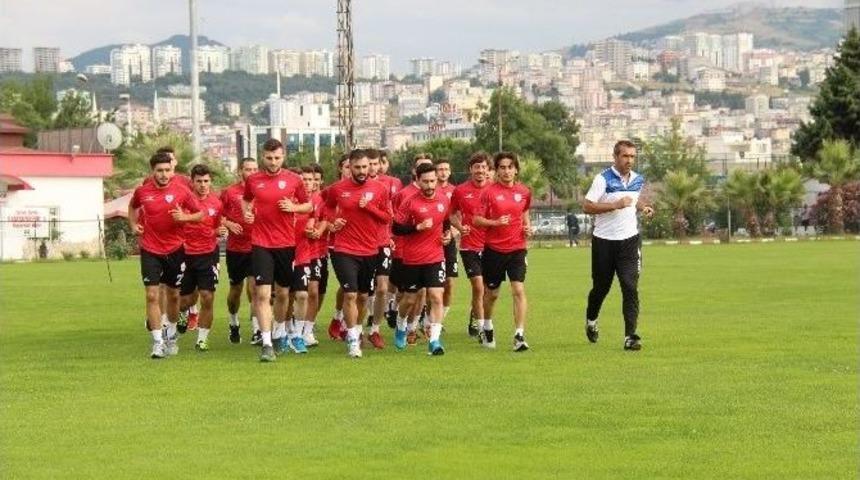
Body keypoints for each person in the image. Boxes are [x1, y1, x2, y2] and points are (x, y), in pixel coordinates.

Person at [242, 138, 311, 362]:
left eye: (277, 158)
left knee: (283, 293)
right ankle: (267, 343)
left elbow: (308, 205)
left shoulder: (294, 179)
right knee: (261, 294)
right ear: (263, 157)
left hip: (286, 244)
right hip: (261, 243)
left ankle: (280, 331)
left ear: (283, 157)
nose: (273, 162)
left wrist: (294, 207)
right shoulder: (253, 180)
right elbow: (246, 201)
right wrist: (247, 213)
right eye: (269, 158)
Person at [128, 152, 202, 359]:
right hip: (150, 249)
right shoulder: (142, 192)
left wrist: (184, 217)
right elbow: (132, 207)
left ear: (172, 170)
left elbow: (200, 214)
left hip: (175, 250)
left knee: (174, 295)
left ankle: (170, 333)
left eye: (167, 170)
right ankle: (158, 342)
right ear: (152, 171)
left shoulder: (182, 191)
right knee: (151, 295)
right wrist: (134, 225)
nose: (163, 174)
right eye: (159, 171)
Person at [582, 140, 654, 351]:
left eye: (632, 156)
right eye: (625, 156)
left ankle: (630, 336)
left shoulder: (637, 179)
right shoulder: (602, 179)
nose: (629, 160)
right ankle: (591, 320)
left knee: (630, 286)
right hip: (604, 242)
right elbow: (587, 206)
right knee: (601, 288)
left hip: (630, 242)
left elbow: (633, 200)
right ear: (615, 157)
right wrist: (614, 205)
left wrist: (645, 207)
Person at [319, 149, 391, 358]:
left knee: (361, 296)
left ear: (370, 167)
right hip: (344, 249)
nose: (361, 171)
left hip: (370, 250)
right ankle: (352, 339)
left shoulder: (380, 189)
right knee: (349, 294)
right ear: (348, 167)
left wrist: (369, 208)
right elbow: (325, 207)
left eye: (364, 167)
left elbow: (387, 218)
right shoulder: (337, 189)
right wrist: (332, 222)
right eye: (357, 167)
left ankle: (357, 330)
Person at [473, 152, 533, 352]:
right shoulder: (488, 193)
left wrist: (527, 227)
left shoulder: (524, 192)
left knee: (518, 290)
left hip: (517, 249)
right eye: (502, 167)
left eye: (510, 167)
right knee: (492, 294)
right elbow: (477, 220)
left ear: (516, 169)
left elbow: (524, 212)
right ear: (496, 171)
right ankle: (487, 326)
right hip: (494, 250)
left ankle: (519, 335)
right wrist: (495, 222)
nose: (506, 171)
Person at [392, 163, 451, 355]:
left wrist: (448, 235)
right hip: (412, 259)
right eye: (425, 181)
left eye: (432, 181)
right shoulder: (409, 202)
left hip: (435, 257)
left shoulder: (443, 200)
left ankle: (434, 340)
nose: (429, 185)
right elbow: (396, 228)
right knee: (409, 299)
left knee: (436, 296)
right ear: (417, 181)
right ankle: (401, 326)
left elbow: (445, 222)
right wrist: (416, 227)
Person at [178, 164, 225, 352]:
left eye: (206, 181)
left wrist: (219, 230)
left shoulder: (216, 203)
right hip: (186, 254)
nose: (203, 185)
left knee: (207, 296)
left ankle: (202, 339)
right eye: (199, 181)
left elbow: (218, 226)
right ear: (192, 182)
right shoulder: (184, 203)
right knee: (185, 300)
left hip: (208, 254)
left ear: (210, 181)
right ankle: (183, 313)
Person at [450, 152, 491, 337]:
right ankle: (483, 327)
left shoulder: (494, 190)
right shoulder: (460, 191)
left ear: (488, 170)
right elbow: (451, 214)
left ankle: (475, 314)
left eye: (483, 167)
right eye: (477, 167)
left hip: (491, 246)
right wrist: (459, 226)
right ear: (470, 170)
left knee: (488, 289)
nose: (480, 170)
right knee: (478, 285)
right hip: (469, 246)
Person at [220, 157, 259, 345]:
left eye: (254, 169)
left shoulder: (261, 191)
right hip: (236, 248)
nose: (251, 173)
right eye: (247, 169)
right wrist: (228, 223)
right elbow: (216, 214)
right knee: (236, 290)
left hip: (257, 246)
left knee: (255, 289)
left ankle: (257, 329)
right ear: (240, 171)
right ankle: (233, 322)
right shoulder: (229, 192)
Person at [434, 159, 458, 323]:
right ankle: (429, 319)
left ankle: (440, 319)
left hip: (449, 241)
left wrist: (452, 233)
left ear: (450, 172)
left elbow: (459, 217)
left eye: (446, 169)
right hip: (431, 242)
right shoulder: (429, 189)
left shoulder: (456, 192)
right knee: (433, 285)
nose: (443, 172)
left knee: (449, 282)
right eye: (440, 169)